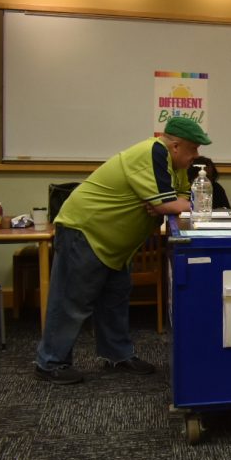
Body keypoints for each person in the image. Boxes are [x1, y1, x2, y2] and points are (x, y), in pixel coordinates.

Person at [34, 117, 211, 384]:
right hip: (87, 231)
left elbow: (187, 200)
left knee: (114, 299)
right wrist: (167, 204)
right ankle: (50, 363)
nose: (196, 155)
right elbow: (169, 205)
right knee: (72, 301)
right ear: (175, 146)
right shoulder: (154, 151)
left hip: (116, 244)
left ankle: (117, 354)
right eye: (193, 149)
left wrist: (170, 203)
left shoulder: (176, 166)